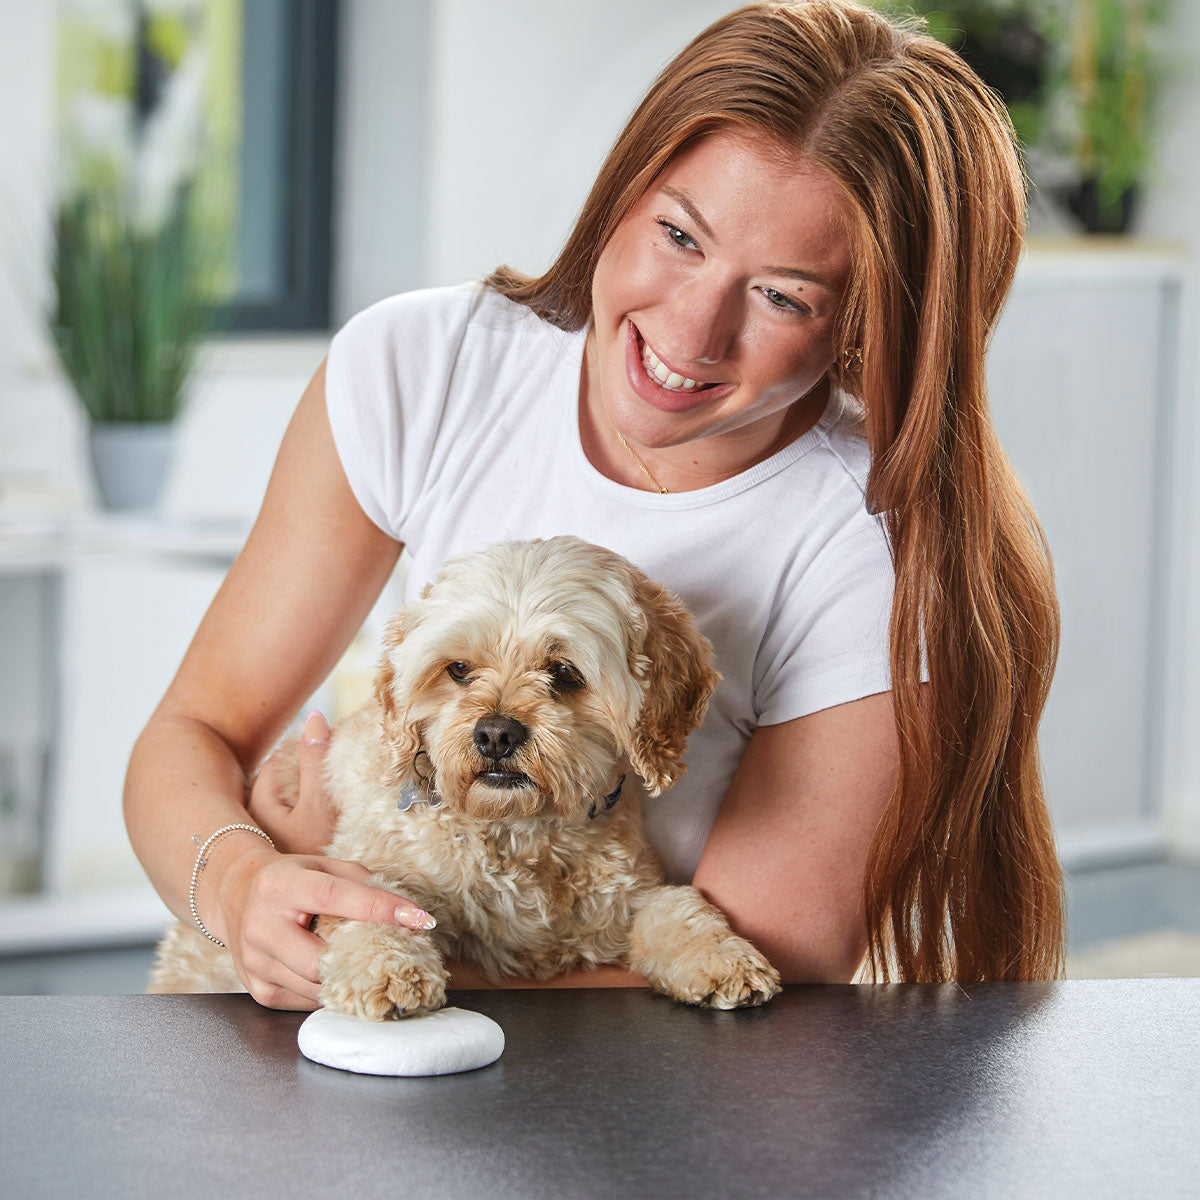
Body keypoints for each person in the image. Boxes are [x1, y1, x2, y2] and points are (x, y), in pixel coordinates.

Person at [124, 0, 1065, 1008]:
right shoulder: (425, 367)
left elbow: (761, 980)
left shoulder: (866, 544)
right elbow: (194, 737)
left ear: (866, 327)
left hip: (646, 1105)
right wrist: (245, 887)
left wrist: (364, 931)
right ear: (623, 193)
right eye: (678, 234)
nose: (693, 331)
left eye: (784, 296)